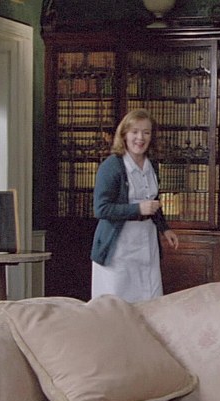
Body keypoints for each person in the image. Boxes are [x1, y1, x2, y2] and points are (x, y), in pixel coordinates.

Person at [91, 108, 179, 303]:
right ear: (124, 135)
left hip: (147, 242)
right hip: (118, 248)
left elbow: (153, 202)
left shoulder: (152, 166)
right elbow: (101, 209)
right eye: (135, 132)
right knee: (118, 304)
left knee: (149, 300)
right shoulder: (111, 166)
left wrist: (165, 229)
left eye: (146, 132)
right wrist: (137, 209)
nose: (140, 138)